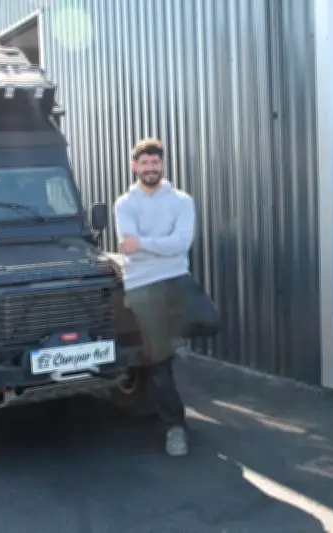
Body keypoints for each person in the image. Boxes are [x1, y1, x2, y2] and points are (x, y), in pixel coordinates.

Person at [114, 137, 219, 457]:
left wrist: (144, 244)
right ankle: (175, 427)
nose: (151, 168)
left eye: (155, 162)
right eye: (145, 163)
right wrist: (160, 244)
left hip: (175, 276)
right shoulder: (124, 204)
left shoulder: (181, 200)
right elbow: (129, 247)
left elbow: (181, 243)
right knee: (160, 363)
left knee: (210, 319)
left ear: (162, 164)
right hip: (142, 283)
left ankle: (168, 336)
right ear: (135, 166)